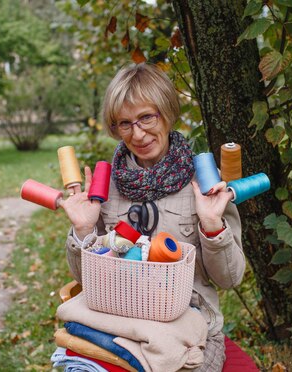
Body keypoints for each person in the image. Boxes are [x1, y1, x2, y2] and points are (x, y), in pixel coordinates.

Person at [61, 63, 246, 371]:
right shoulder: (104, 189)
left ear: (167, 112)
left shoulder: (203, 183)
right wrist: (83, 230)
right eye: (125, 123)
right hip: (120, 321)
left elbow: (230, 279)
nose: (138, 134)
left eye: (147, 117)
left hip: (189, 325)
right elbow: (86, 281)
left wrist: (213, 226)